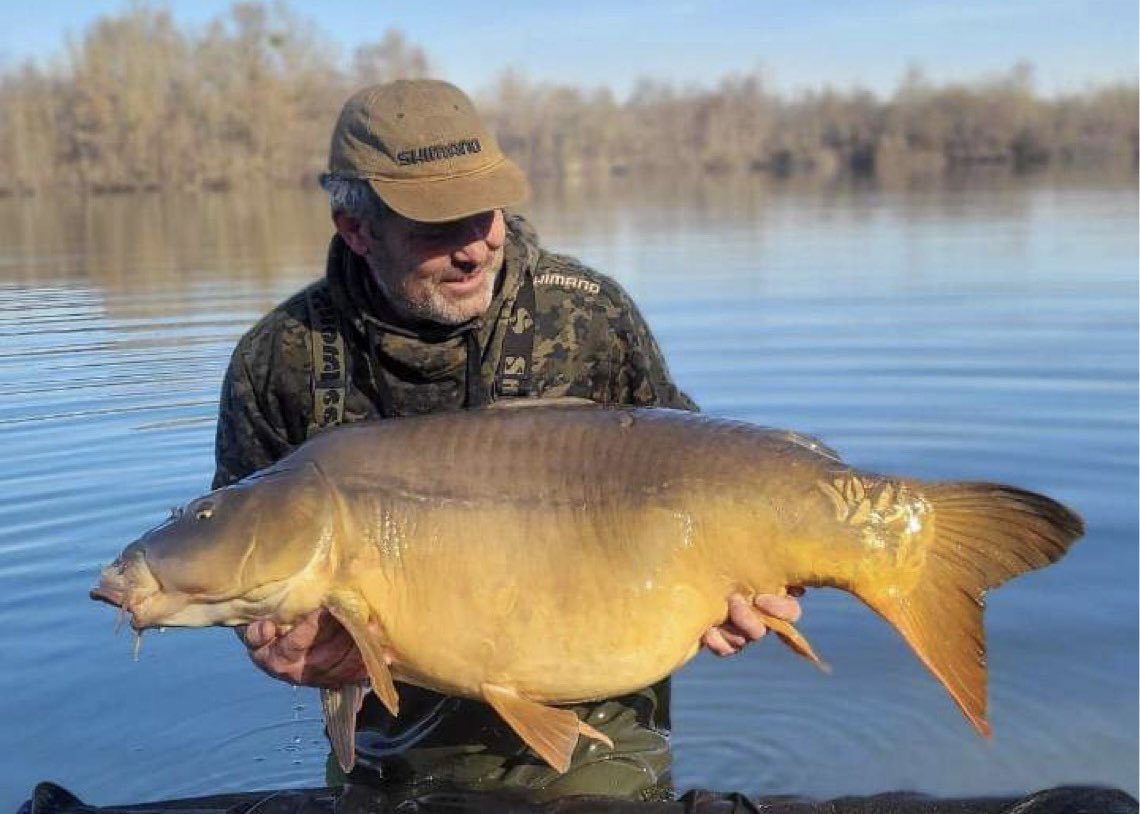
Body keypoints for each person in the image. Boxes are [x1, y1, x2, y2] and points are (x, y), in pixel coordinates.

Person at [211, 79, 803, 803]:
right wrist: (274, 640)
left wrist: (734, 583)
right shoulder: (280, 361)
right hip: (387, 726)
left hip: (596, 700)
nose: (477, 247)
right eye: (436, 226)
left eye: (486, 212)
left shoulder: (587, 315)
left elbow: (695, 476)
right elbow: (237, 563)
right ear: (355, 227)